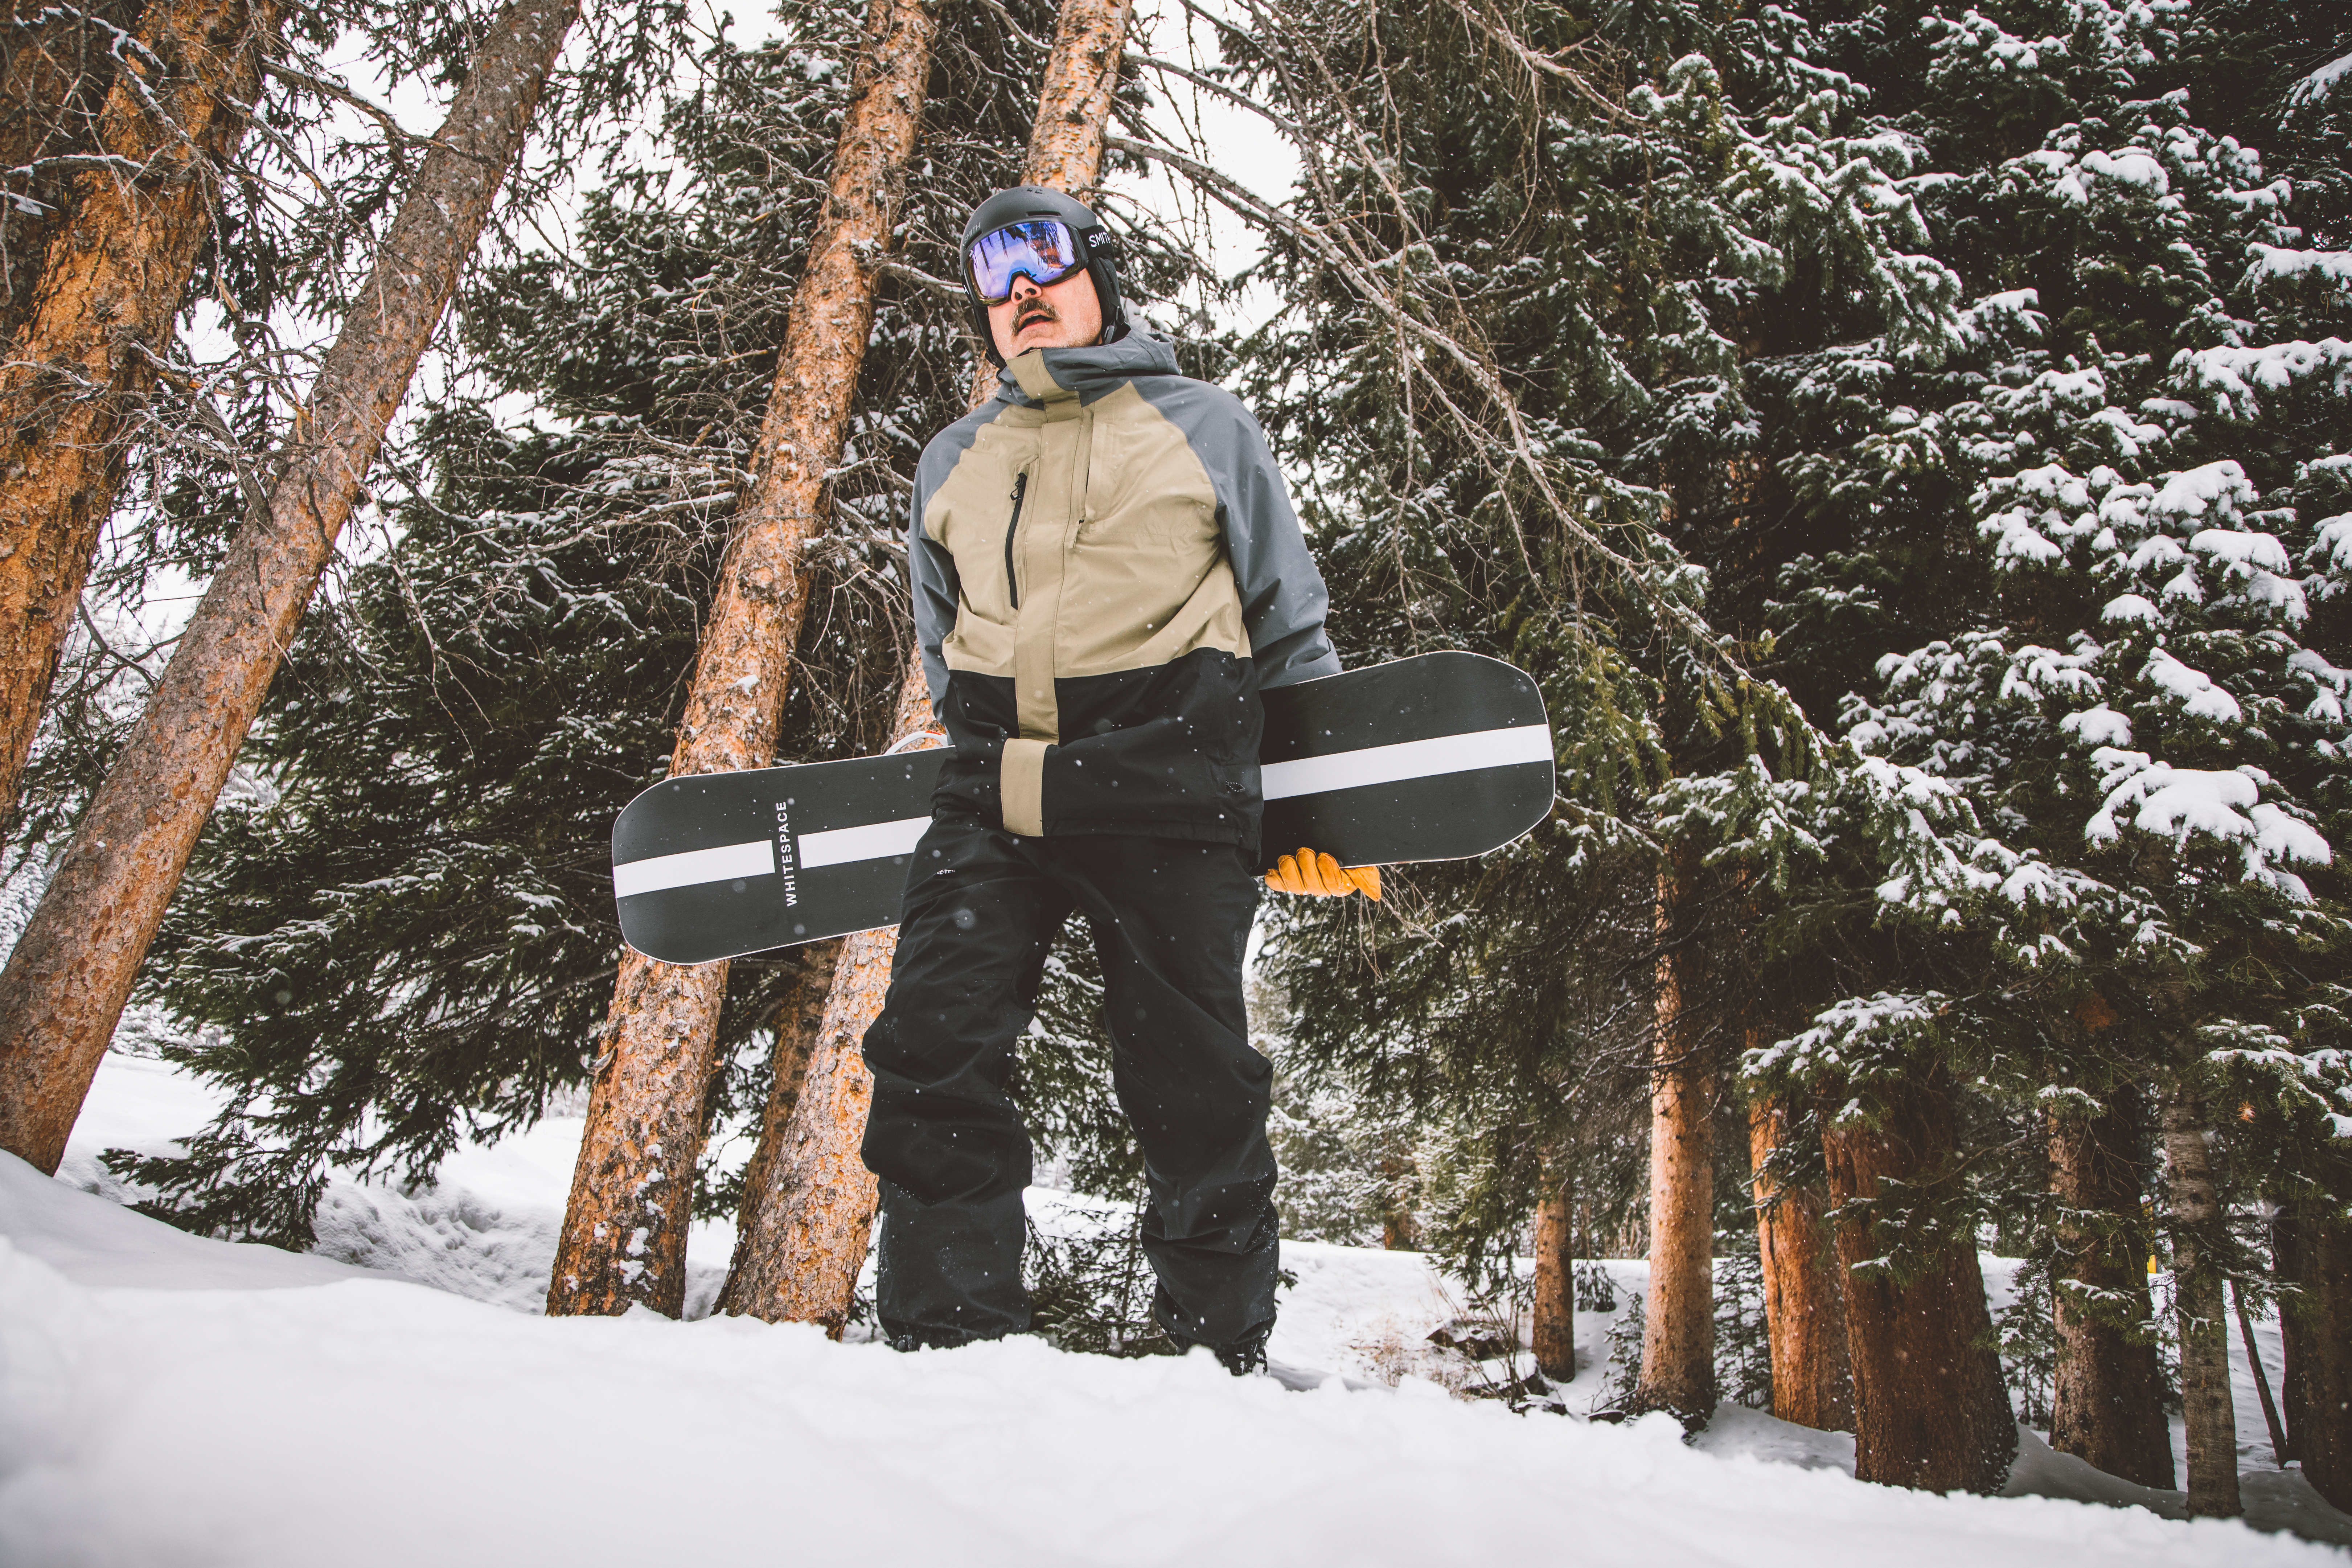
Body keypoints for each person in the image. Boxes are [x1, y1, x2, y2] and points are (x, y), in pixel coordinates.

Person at [858, 185, 1378, 1373]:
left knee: (1191, 1078)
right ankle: (952, 1353)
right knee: (931, 1046)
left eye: (1043, 267)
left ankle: (1214, 1359)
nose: (1020, 297)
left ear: (1100, 276)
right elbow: (943, 646)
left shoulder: (1203, 422)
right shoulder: (955, 458)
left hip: (1168, 782)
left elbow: (1287, 624)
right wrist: (972, 746)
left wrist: (1317, 808)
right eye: (995, 284)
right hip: (994, 790)